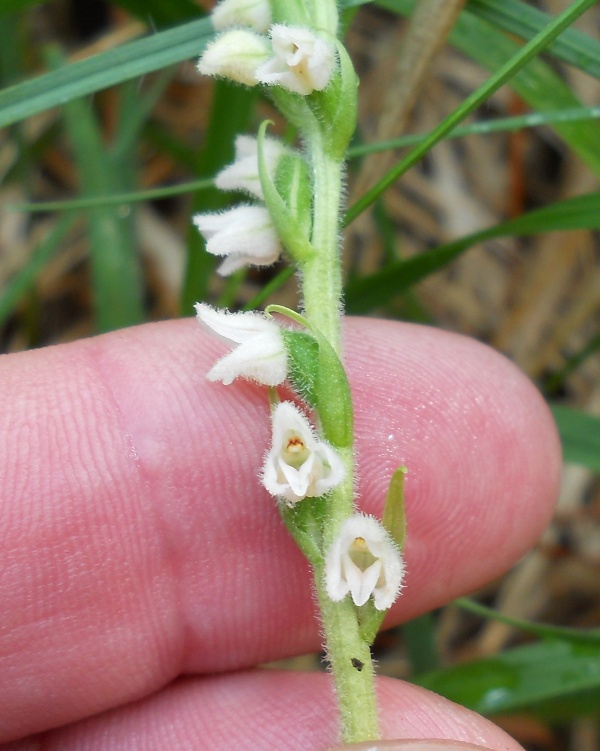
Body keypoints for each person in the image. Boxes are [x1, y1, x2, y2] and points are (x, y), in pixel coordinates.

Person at [0, 316, 560, 750]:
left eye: (298, 445)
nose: (295, 449)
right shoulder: (306, 468)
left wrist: (349, 540)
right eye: (290, 445)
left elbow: (328, 481)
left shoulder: (333, 492)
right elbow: (304, 473)